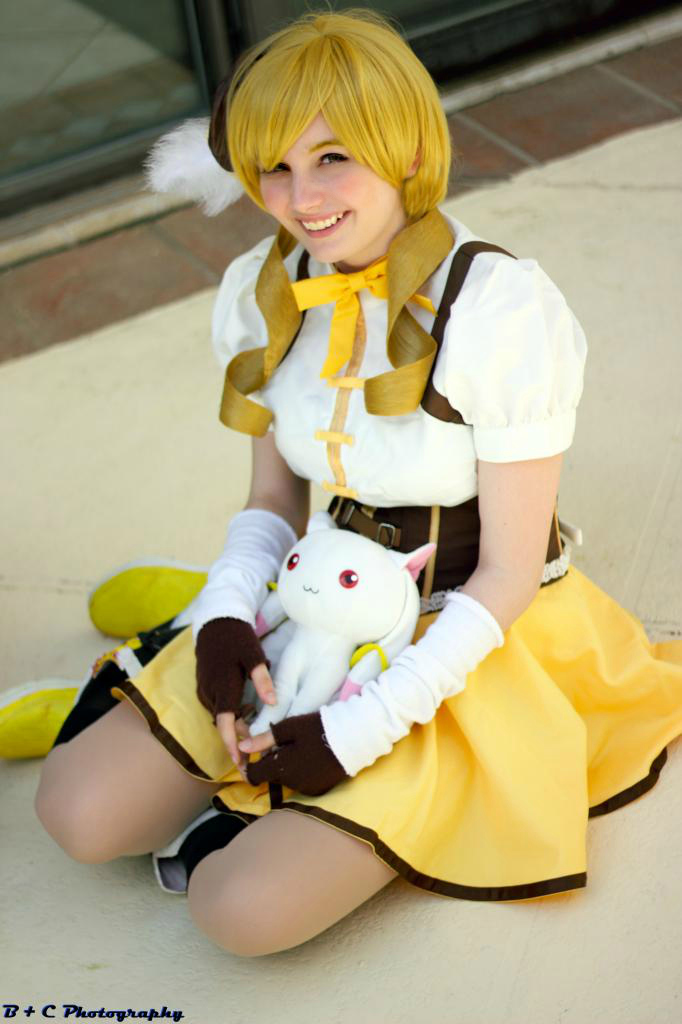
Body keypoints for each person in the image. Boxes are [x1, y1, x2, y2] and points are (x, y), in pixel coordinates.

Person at [32, 9, 681, 956]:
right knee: (79, 814)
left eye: (333, 157)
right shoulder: (265, 288)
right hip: (318, 592)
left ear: (407, 149)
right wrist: (224, 617)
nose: (302, 198)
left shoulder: (498, 310)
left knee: (240, 912)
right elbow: (271, 503)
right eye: (274, 166)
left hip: (465, 626)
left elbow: (506, 574)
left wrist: (365, 726)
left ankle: (295, 810)